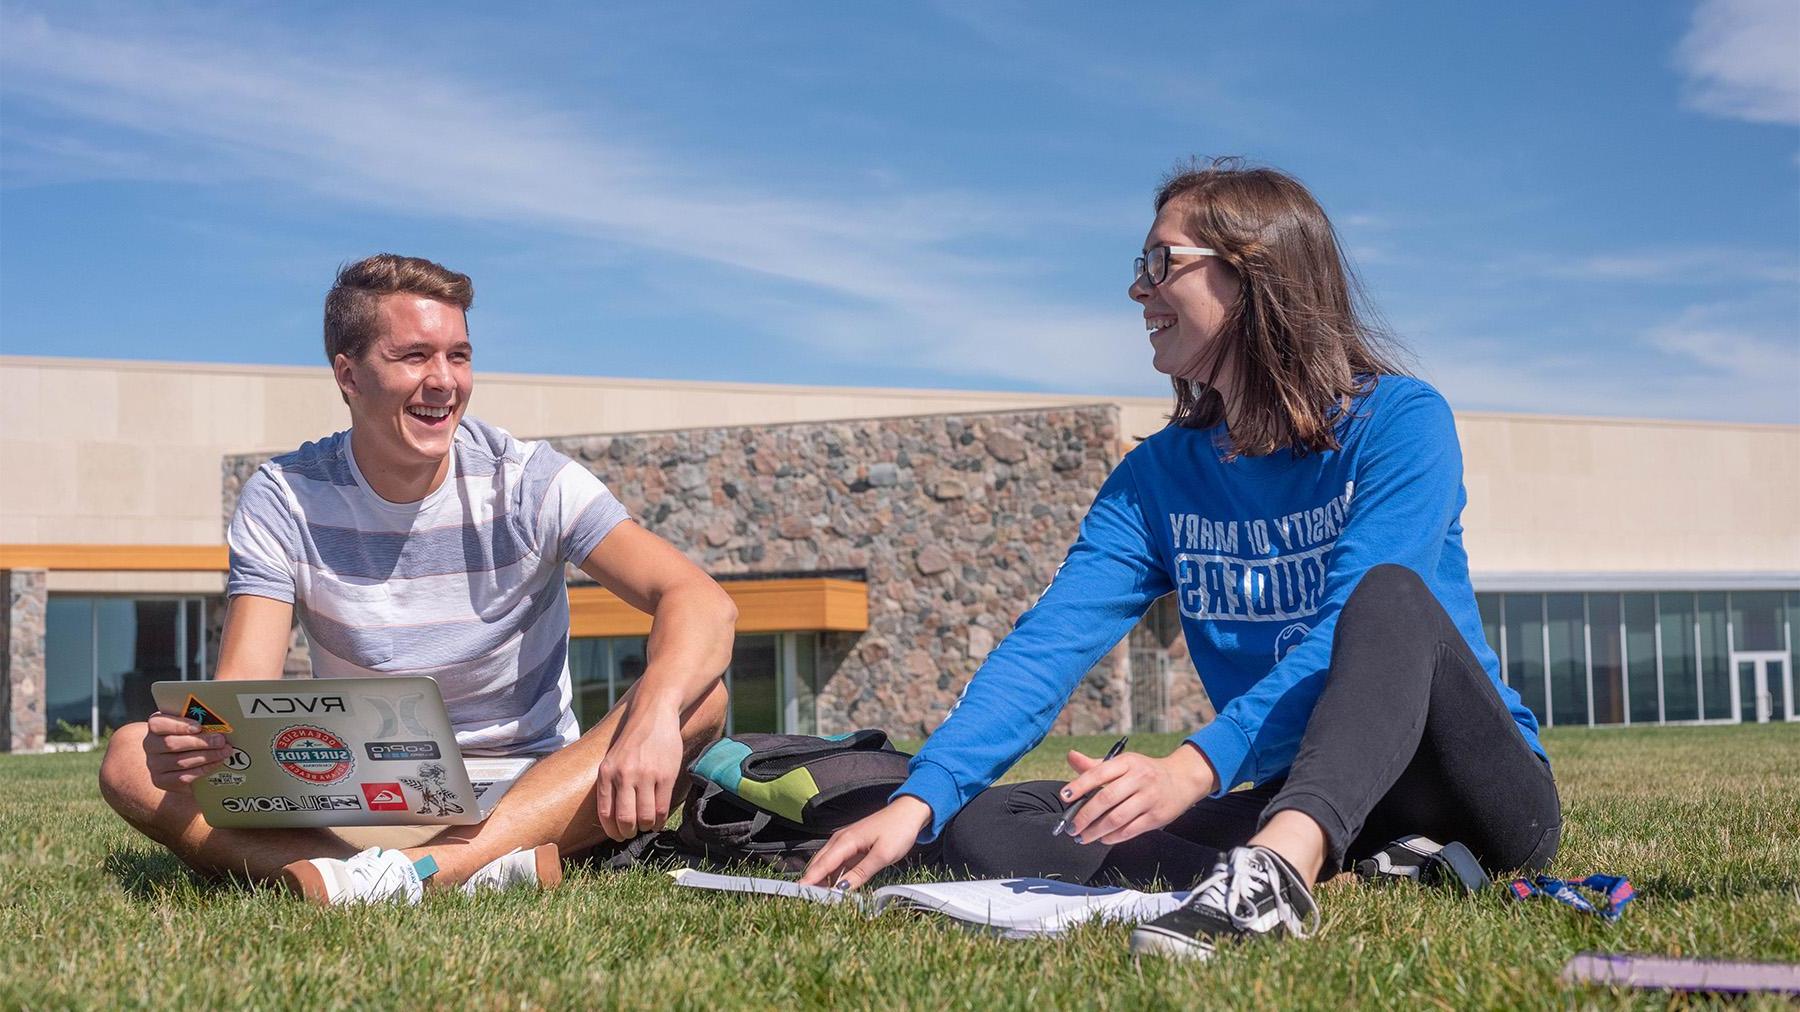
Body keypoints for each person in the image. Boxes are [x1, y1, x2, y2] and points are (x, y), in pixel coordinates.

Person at [801, 159, 1561, 960]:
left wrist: (1194, 770)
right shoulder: (1156, 478)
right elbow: (1049, 643)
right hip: (1302, 789)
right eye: (1140, 266)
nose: (1139, 289)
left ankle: (1279, 872)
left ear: (1254, 277)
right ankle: (1353, 868)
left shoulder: (1402, 422)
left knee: (1388, 597)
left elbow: (1347, 629)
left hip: (1466, 786)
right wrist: (916, 801)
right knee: (991, 823)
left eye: (1163, 264)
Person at [98, 254, 736, 904]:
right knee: (131, 756)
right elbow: (240, 692)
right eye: (414, 357)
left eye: (458, 356)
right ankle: (447, 873)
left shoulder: (527, 481)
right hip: (358, 792)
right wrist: (198, 733)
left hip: (529, 789)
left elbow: (699, 601)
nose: (444, 382)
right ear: (349, 374)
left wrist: (655, 713)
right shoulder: (286, 495)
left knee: (696, 698)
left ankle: (391, 876)